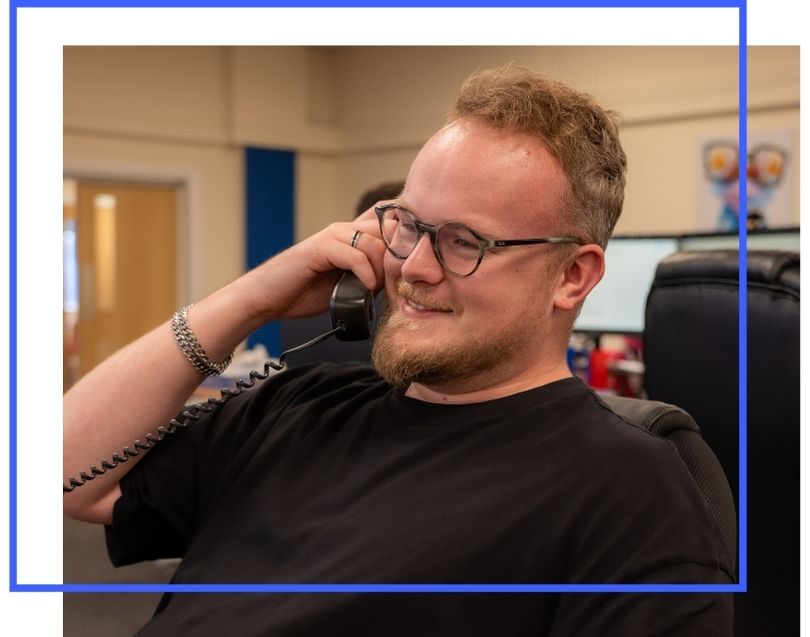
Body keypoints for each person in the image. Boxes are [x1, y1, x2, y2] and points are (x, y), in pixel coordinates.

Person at [63, 66, 734, 636]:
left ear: (573, 276)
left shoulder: (631, 493)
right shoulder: (298, 407)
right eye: (408, 225)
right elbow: (64, 473)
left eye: (465, 241)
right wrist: (251, 297)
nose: (414, 265)